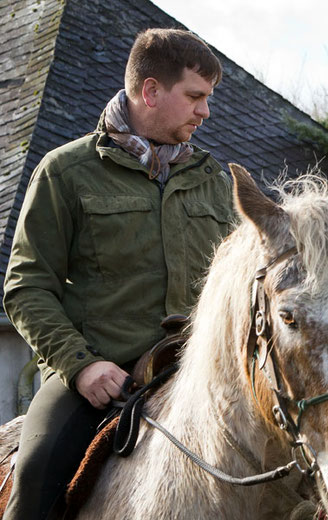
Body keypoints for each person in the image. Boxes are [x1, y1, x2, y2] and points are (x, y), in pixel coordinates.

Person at [3, 29, 231, 520]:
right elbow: (27, 287)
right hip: (97, 383)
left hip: (201, 380)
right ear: (150, 91)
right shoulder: (65, 171)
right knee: (37, 471)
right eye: (195, 97)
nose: (205, 112)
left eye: (207, 99)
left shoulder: (218, 184)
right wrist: (82, 366)